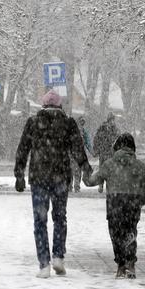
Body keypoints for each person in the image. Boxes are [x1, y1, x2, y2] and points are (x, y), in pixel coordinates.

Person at [14, 89, 92, 278]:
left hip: (39, 177)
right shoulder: (68, 123)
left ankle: (44, 264)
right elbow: (77, 148)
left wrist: (19, 174)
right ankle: (58, 256)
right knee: (60, 217)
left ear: (43, 106)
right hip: (60, 177)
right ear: (59, 105)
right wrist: (85, 167)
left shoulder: (33, 123)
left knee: (39, 221)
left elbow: (23, 149)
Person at [85, 133, 145, 279]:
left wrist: (85, 172)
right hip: (132, 203)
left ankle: (120, 265)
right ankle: (130, 263)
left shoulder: (109, 164)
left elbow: (91, 181)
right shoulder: (139, 165)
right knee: (130, 232)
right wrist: (141, 201)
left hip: (115, 203)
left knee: (116, 235)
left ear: (116, 146)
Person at [92, 112, 120, 193]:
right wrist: (96, 149)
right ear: (109, 120)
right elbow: (96, 139)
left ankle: (106, 185)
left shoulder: (113, 129)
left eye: (113, 120)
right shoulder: (106, 128)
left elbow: (118, 140)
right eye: (112, 120)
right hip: (105, 152)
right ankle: (102, 185)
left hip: (108, 152)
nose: (113, 121)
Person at [71, 116, 93, 192]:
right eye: (81, 122)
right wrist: (92, 152)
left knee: (73, 170)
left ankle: (71, 186)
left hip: (74, 153)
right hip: (78, 153)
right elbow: (87, 143)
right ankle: (75, 187)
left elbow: (87, 143)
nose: (82, 124)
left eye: (82, 123)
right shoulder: (82, 131)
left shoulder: (73, 131)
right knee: (76, 170)